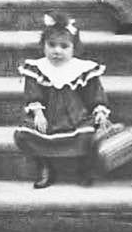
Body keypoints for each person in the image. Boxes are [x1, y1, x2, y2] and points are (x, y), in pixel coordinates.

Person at [14, 13, 111, 189]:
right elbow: (32, 92)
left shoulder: (82, 69)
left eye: (64, 46)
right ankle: (45, 165)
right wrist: (38, 113)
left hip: (76, 117)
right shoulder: (37, 68)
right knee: (24, 133)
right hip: (48, 119)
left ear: (74, 48)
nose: (57, 51)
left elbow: (94, 93)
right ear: (43, 45)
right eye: (51, 45)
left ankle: (84, 165)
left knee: (90, 132)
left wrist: (99, 111)